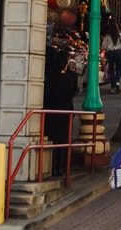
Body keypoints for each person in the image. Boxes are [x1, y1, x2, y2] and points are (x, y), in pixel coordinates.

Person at [43, 44, 79, 175]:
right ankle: (62, 167)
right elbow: (71, 93)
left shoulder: (51, 79)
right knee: (64, 141)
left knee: (52, 140)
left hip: (51, 113)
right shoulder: (71, 79)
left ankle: (53, 167)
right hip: (65, 112)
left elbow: (46, 96)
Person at [102, 23, 121, 93]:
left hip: (110, 53)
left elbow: (104, 46)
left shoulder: (108, 36)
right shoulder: (120, 35)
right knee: (118, 68)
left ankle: (113, 85)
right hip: (118, 52)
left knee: (111, 69)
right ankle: (117, 82)